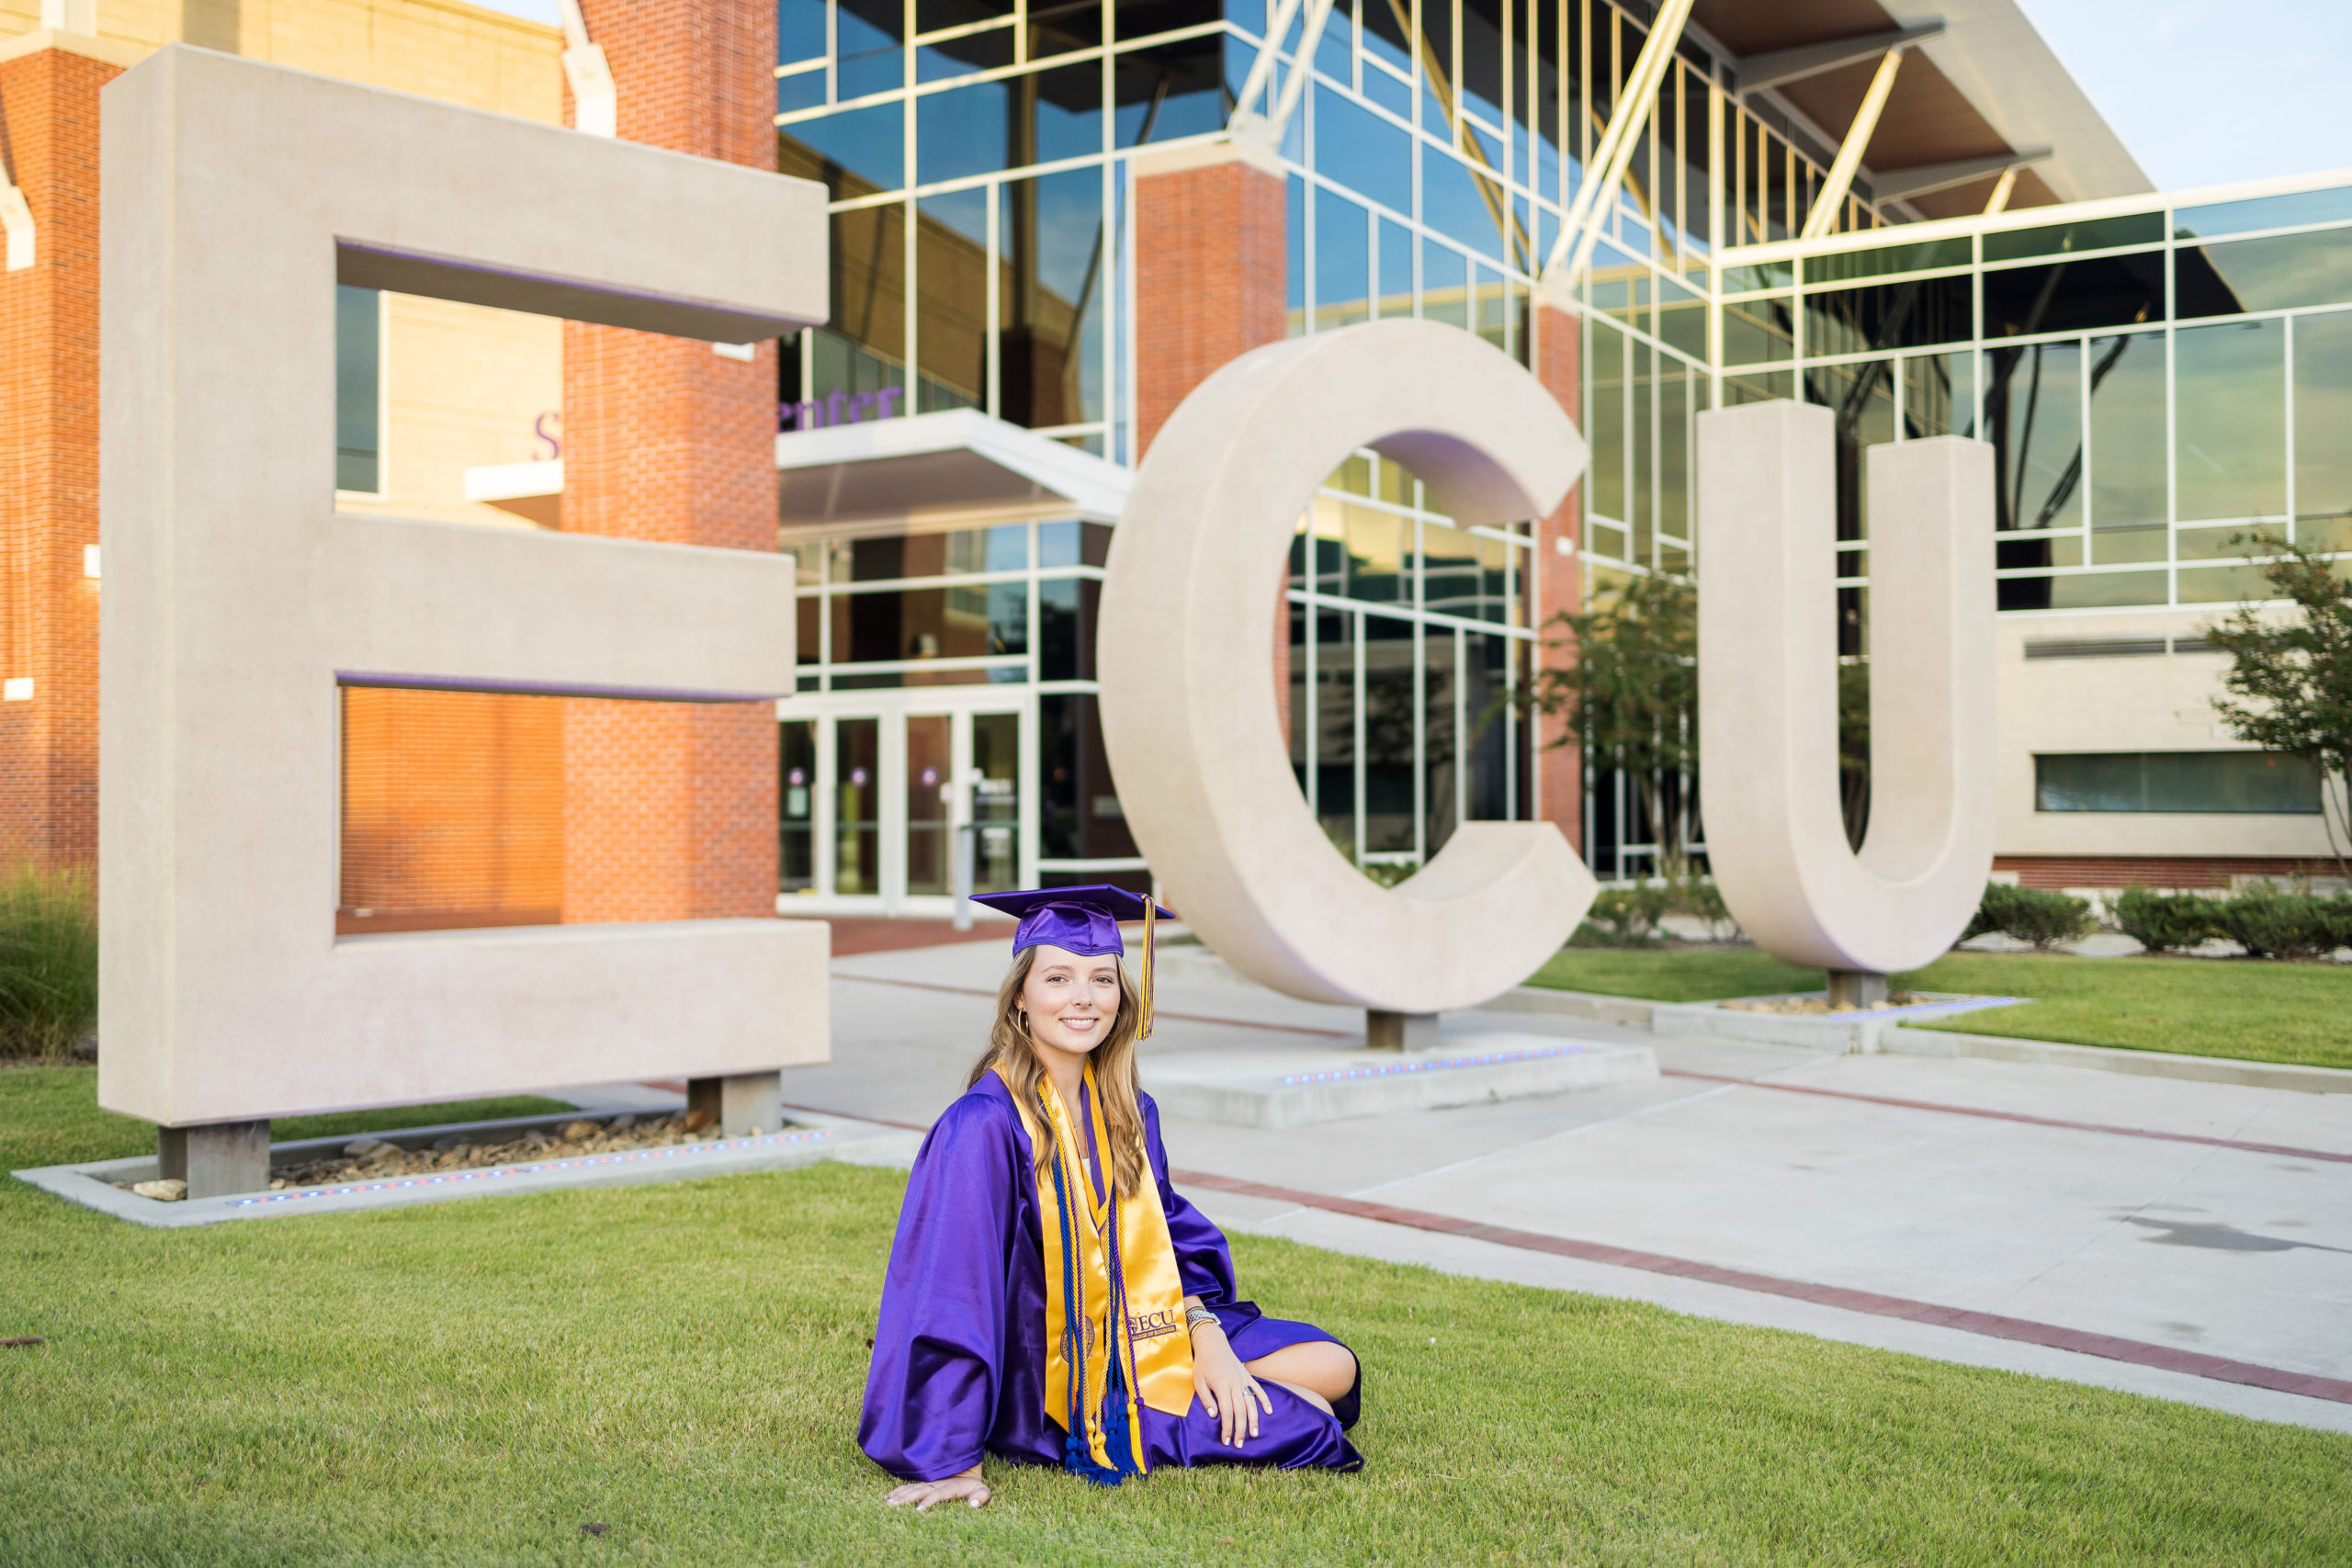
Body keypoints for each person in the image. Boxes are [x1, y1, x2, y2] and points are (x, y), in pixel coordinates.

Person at [859, 886, 1363, 1509]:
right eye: (1058, 977)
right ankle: (1200, 1401)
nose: (1083, 998)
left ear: (1123, 994)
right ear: (1020, 995)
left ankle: (1208, 1383)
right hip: (1061, 1374)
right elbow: (952, 1289)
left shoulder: (1129, 1109)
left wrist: (1206, 1342)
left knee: (1335, 1368)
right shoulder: (984, 1124)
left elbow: (1171, 1234)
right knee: (1312, 1419)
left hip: (1149, 1324)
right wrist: (948, 1452)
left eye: (1102, 978)